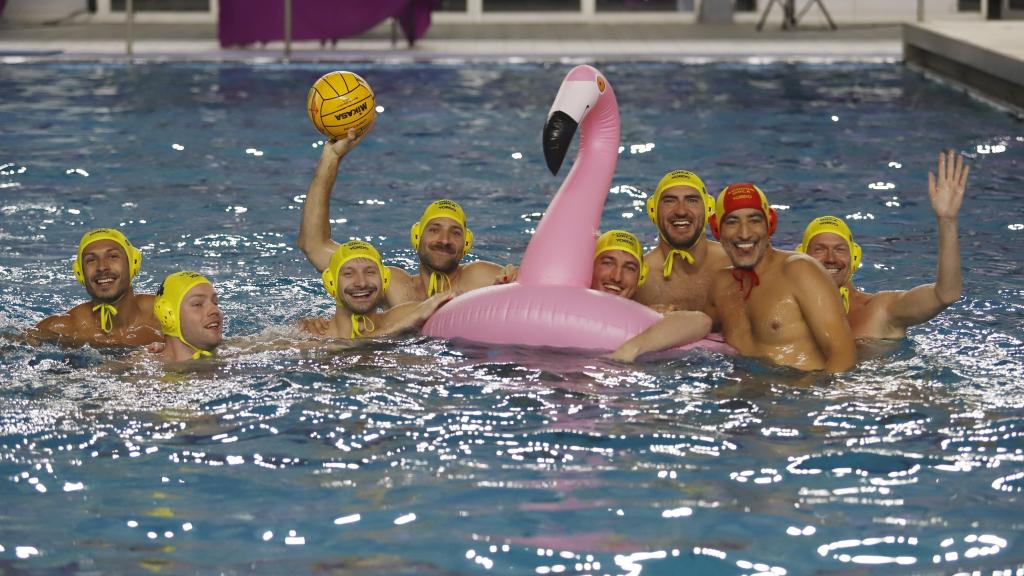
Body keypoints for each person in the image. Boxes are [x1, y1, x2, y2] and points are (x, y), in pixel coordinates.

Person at [614, 183, 856, 372]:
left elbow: (842, 355)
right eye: (732, 222)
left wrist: (819, 424)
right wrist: (653, 319)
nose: (744, 233)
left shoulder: (800, 270)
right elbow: (700, 325)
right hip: (745, 405)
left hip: (799, 403)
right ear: (718, 230)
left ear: (770, 224)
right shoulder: (722, 285)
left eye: (754, 220)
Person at [298, 127, 503, 307]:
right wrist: (331, 157)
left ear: (467, 243)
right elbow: (314, 245)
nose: (444, 240)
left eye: (455, 232)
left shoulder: (482, 277)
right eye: (434, 229)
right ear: (416, 237)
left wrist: (513, 276)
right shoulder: (394, 285)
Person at [796, 150, 967, 339]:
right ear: (801, 257)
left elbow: (946, 294)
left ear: (854, 257)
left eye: (839, 249)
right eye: (819, 249)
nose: (830, 258)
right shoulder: (787, 314)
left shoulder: (882, 309)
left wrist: (947, 220)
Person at [33, 228, 162, 347]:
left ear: (133, 264)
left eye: (113, 257)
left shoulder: (166, 317)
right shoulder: (63, 330)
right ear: (80, 273)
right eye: (91, 260)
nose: (101, 267)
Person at [301, 240, 453, 339]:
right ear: (331, 283)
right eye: (348, 273)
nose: (361, 283)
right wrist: (401, 325)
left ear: (384, 280)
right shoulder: (311, 336)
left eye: (370, 272)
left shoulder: (412, 312)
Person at [634, 170, 731, 313]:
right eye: (670, 201)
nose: (681, 211)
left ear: (708, 209)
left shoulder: (733, 264)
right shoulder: (640, 279)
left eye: (692, 200)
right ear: (652, 210)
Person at [152, 271, 223, 362]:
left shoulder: (237, 350)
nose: (215, 310)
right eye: (198, 304)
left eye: (215, 302)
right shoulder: (143, 370)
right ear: (168, 315)